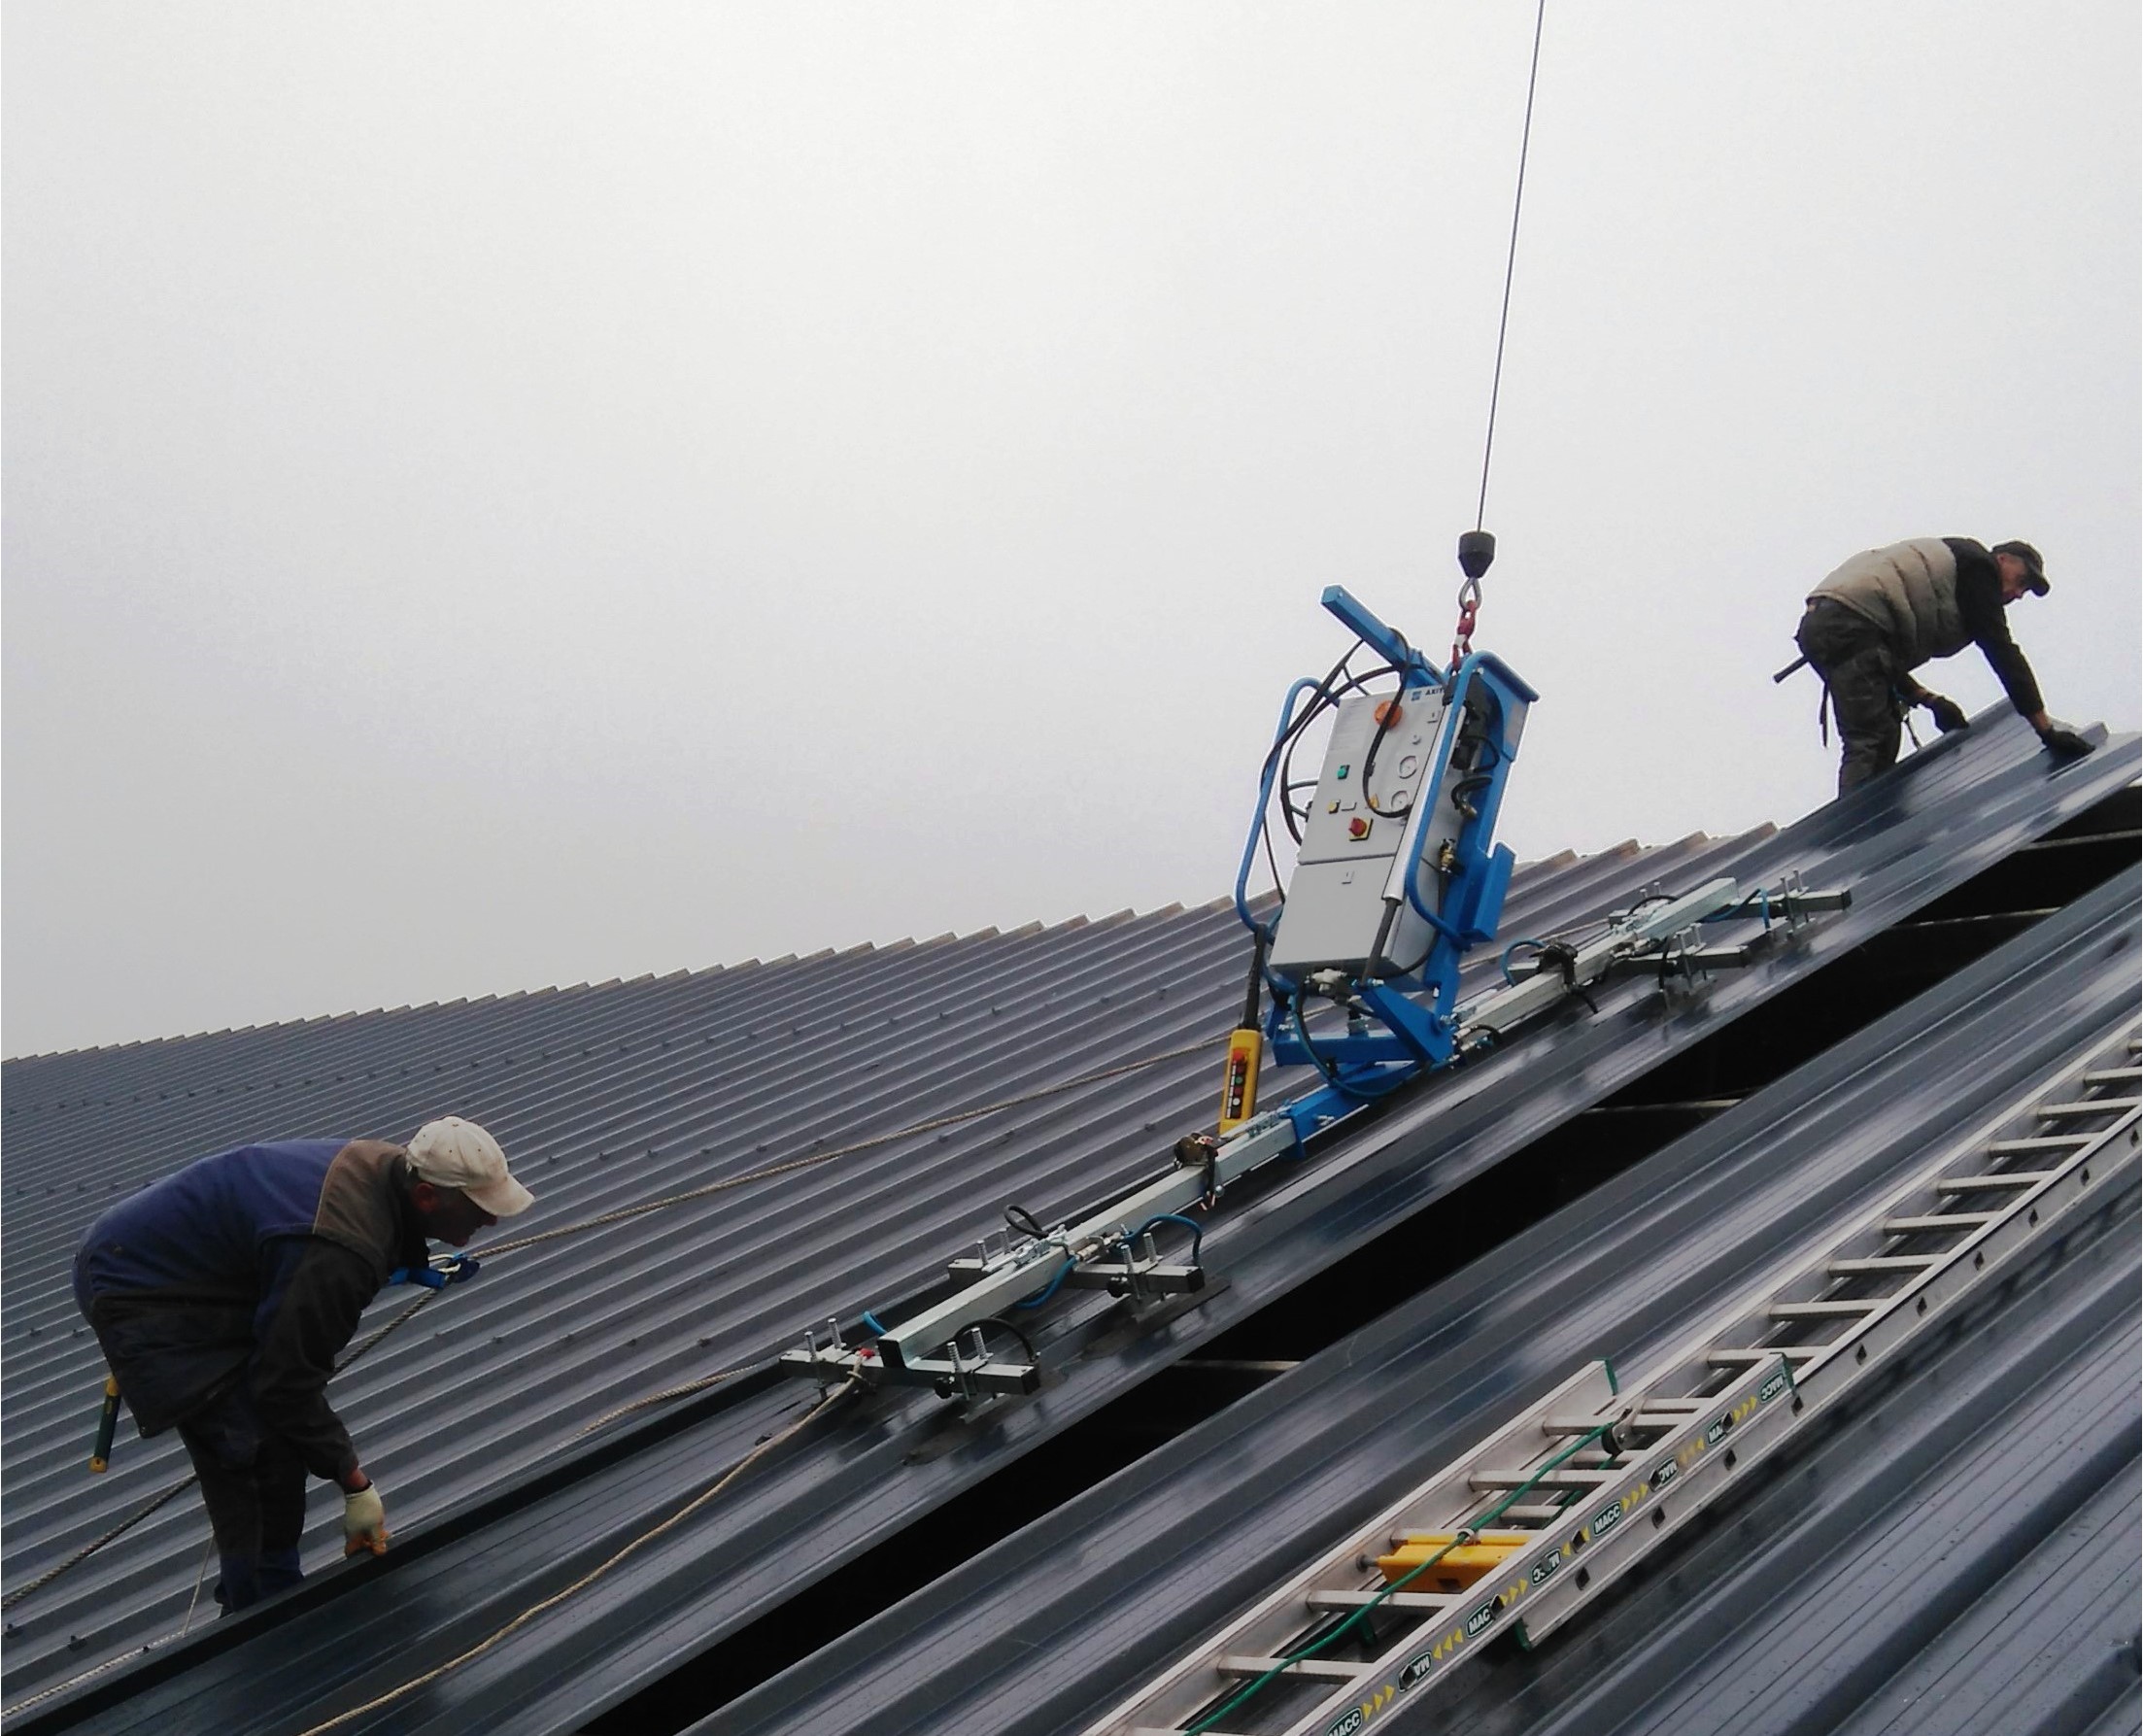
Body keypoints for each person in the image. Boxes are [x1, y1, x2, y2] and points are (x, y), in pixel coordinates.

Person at [72, 1117, 533, 1612]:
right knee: (255, 1456)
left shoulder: (389, 1169)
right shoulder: (340, 1246)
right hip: (138, 1284)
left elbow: (316, 1259)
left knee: (275, 1448)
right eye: (480, 1208)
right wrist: (354, 1482)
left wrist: (400, 1263)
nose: (490, 1222)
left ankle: (264, 1592)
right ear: (426, 1196)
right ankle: (257, 1613)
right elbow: (284, 1383)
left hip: (189, 1266)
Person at [1790, 536, 2092, 795]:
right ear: (2003, 559)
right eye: (2022, 581)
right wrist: (2046, 731)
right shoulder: (1980, 568)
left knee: (1884, 731)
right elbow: (2002, 651)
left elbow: (1879, 662)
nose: (2018, 594)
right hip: (1849, 623)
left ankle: (1859, 824)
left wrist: (1930, 700)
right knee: (1873, 738)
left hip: (1826, 624)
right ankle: (1857, 835)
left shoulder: (1949, 571)